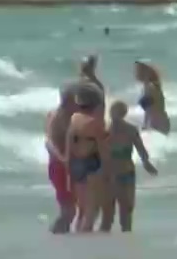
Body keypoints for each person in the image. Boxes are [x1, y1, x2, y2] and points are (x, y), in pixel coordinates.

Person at [100, 101, 158, 233]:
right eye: (114, 113)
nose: (115, 116)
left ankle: (122, 238)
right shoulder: (104, 130)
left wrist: (147, 163)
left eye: (117, 113)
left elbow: (141, 149)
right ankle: (104, 242)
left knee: (125, 209)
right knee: (109, 212)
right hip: (110, 174)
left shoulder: (127, 130)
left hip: (121, 172)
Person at [66, 83, 110, 233]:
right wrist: (107, 168)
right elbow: (102, 147)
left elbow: (69, 141)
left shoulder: (75, 118)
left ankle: (78, 232)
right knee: (92, 209)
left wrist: (68, 162)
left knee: (82, 208)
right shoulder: (95, 123)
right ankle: (85, 238)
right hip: (91, 163)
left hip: (76, 163)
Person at [45, 84, 80, 234]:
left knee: (72, 208)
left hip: (73, 166)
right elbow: (49, 142)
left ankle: (61, 238)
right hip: (58, 166)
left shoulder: (77, 117)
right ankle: (56, 235)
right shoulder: (56, 116)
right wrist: (62, 158)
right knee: (69, 209)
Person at [135, 61, 170, 135]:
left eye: (138, 70)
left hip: (158, 123)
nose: (135, 73)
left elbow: (149, 109)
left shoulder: (150, 87)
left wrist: (145, 125)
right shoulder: (151, 86)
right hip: (158, 122)